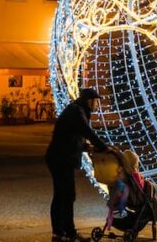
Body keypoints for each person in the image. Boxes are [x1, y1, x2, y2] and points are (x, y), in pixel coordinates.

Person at [46, 87, 110, 242]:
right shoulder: (77, 112)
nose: (97, 105)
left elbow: (74, 136)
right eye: (96, 101)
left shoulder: (77, 110)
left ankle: (63, 233)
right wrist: (104, 147)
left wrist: (86, 147)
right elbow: (87, 132)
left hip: (61, 157)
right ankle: (65, 233)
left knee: (64, 196)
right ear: (89, 100)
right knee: (65, 196)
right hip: (61, 159)